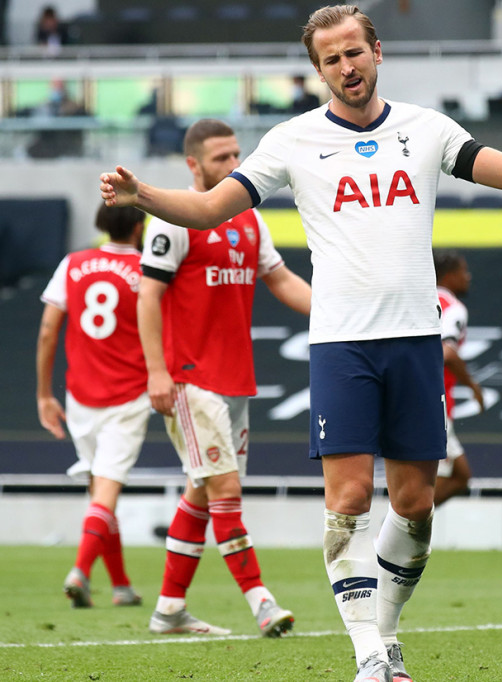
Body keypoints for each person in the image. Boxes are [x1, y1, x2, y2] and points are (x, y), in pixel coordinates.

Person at [100, 6, 502, 680]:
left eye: (354, 52)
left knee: (415, 505)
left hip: (415, 343)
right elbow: (209, 209)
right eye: (331, 60)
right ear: (318, 70)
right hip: (341, 346)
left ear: (376, 52)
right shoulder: (291, 142)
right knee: (348, 500)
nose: (346, 67)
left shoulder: (427, 129)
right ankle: (369, 655)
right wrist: (141, 193)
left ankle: (385, 635)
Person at [137, 118, 312, 638]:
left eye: (237, 154)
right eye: (220, 158)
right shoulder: (172, 219)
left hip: (235, 378)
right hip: (191, 379)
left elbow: (280, 279)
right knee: (225, 489)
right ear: (193, 165)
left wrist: (334, 309)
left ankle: (169, 609)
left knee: (200, 491)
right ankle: (262, 603)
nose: (234, 165)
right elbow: (148, 296)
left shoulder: (249, 219)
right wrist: (157, 372)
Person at [37, 203, 148, 610]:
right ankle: (80, 571)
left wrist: (43, 394)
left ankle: (120, 586)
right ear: (139, 227)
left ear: (100, 223)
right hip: (129, 393)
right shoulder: (147, 267)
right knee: (106, 491)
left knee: (98, 490)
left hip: (80, 394)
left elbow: (49, 330)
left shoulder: (73, 263)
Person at [433, 250, 485, 506]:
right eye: (463, 271)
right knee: (432, 481)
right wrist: (474, 386)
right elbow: (448, 353)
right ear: (450, 275)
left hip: (404, 394)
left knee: (460, 475)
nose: (468, 277)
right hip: (432, 400)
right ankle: (388, 541)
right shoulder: (452, 308)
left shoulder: (415, 300)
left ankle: (394, 539)